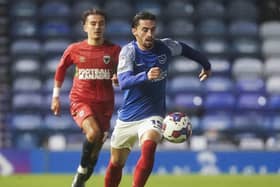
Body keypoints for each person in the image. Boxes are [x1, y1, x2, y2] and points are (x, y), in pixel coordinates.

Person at [104, 11, 211, 187]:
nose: (149, 34)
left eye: (153, 30)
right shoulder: (128, 52)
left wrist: (206, 65)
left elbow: (186, 49)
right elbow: (123, 82)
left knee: (149, 147)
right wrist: (145, 76)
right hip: (127, 117)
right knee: (116, 163)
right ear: (134, 31)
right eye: (144, 30)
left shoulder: (165, 46)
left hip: (152, 115)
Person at [50, 8, 121, 187]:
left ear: (105, 26)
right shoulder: (74, 49)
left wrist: (119, 78)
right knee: (93, 133)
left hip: (105, 104)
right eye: (93, 23)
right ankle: (81, 170)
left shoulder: (115, 51)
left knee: (96, 151)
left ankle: (82, 177)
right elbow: (60, 69)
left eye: (101, 24)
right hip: (81, 99)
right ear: (85, 27)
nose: (97, 27)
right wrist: (56, 96)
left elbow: (124, 73)